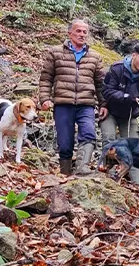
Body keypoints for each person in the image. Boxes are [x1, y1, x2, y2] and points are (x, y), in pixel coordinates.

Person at [39, 19, 106, 175]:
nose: (82, 35)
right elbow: (46, 78)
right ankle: (65, 174)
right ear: (70, 33)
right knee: (65, 142)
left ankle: (82, 169)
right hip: (63, 102)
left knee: (89, 133)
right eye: (78, 31)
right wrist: (45, 98)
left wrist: (104, 104)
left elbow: (101, 84)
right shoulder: (55, 52)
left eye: (84, 32)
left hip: (86, 103)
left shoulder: (95, 57)